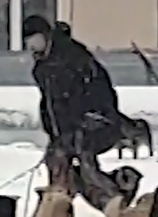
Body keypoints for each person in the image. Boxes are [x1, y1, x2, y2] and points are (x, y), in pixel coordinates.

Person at [22, 16, 122, 198]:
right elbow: (50, 102)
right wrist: (51, 128)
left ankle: (114, 204)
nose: (31, 45)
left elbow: (95, 89)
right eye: (27, 41)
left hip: (90, 125)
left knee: (87, 171)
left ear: (46, 36)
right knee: (56, 164)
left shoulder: (73, 57)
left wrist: (93, 116)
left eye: (34, 39)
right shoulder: (42, 67)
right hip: (63, 130)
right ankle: (58, 212)